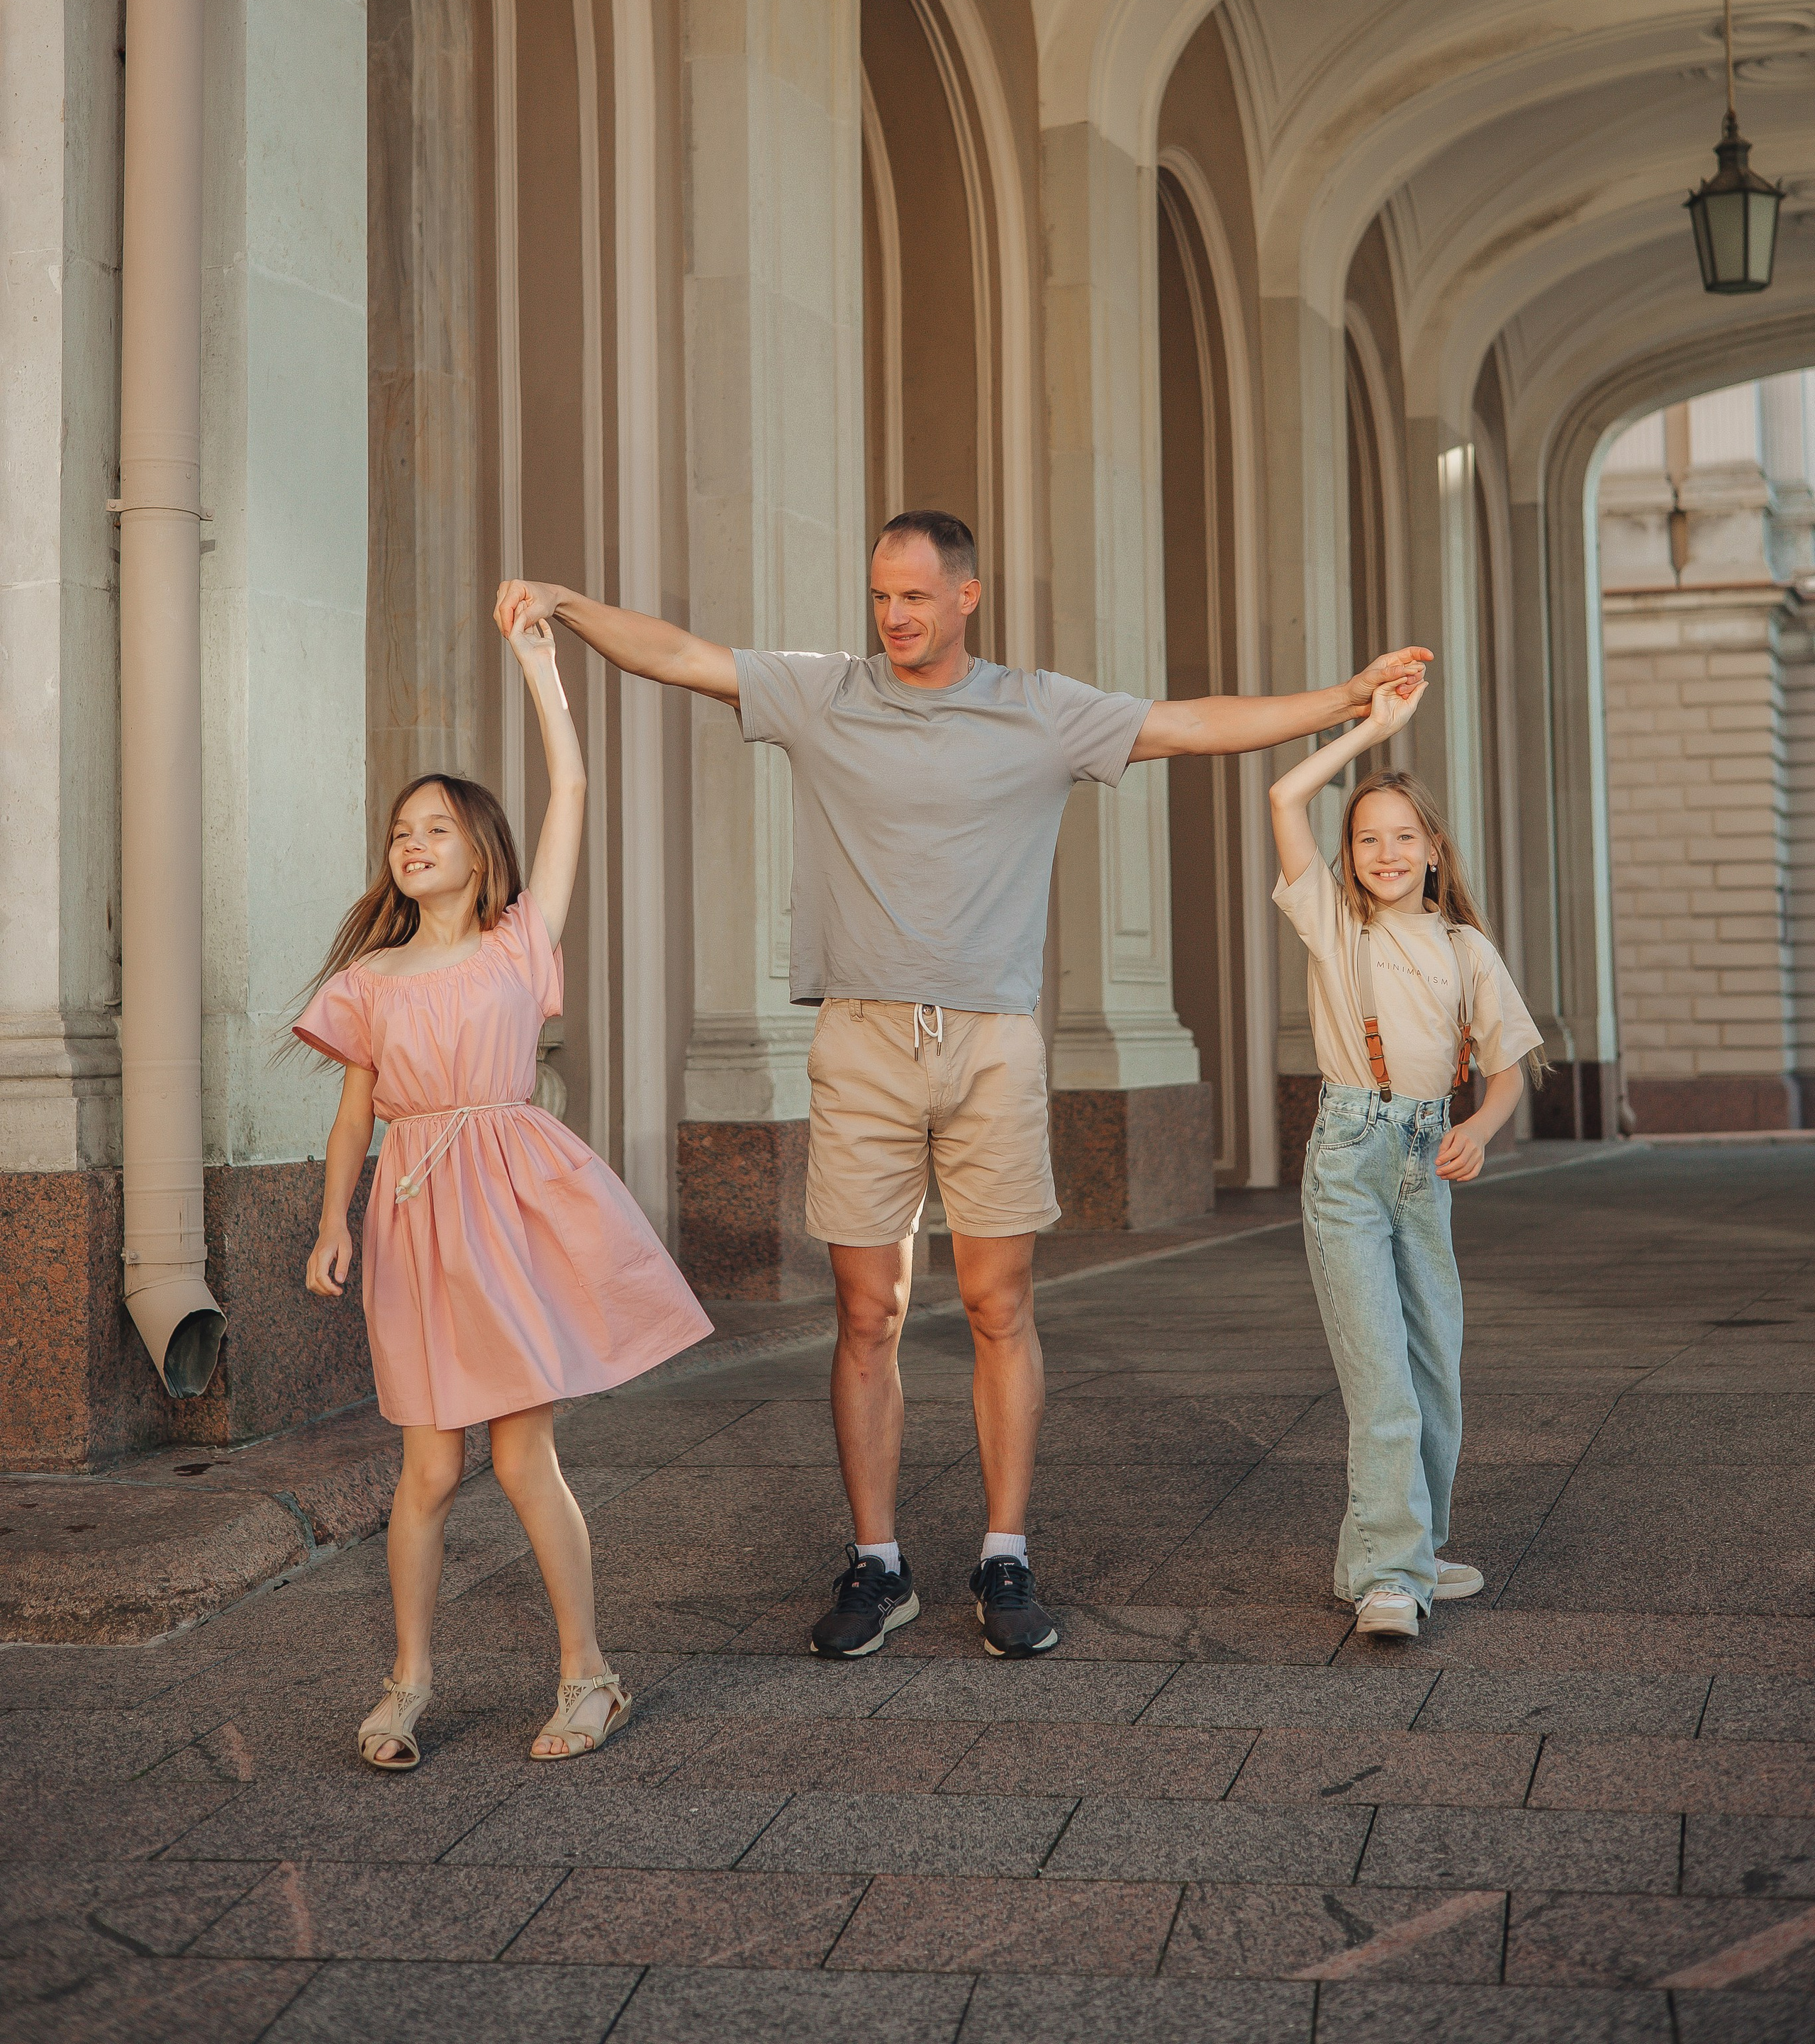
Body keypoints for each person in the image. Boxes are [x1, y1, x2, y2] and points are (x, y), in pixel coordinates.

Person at [496, 513, 1429, 1661]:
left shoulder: (1038, 710)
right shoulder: (820, 694)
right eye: (881, 596)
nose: (894, 617)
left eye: (916, 598)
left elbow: (1187, 725)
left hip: (991, 1042)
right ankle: (878, 1565)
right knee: (867, 1313)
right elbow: (684, 655)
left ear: (968, 596)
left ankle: (1003, 1554)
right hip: (861, 1041)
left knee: (998, 1307)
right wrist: (570, 604)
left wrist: (1345, 698)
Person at [299, 602, 711, 1769]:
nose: (413, 841)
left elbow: (572, 797)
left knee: (524, 1453)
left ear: (481, 851)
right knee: (428, 1465)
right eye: (399, 832)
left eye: (436, 827)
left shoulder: (517, 944)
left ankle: (590, 1674)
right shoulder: (372, 977)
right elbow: (350, 1116)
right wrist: (334, 1221)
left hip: (508, 1212)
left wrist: (542, 671)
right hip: (413, 1216)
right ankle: (409, 1679)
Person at [1268, 673, 1544, 1638]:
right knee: (1380, 1378)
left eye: (1402, 836)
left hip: (1428, 1164)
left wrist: (1478, 1127)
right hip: (1348, 1158)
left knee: (1433, 1376)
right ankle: (1393, 1573)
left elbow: (1508, 1069)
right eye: (1366, 837)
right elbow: (1282, 797)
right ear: (1349, 857)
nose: (1384, 852)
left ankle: (1393, 1552)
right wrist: (1367, 729)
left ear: (1433, 850)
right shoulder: (1334, 927)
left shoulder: (1466, 947)